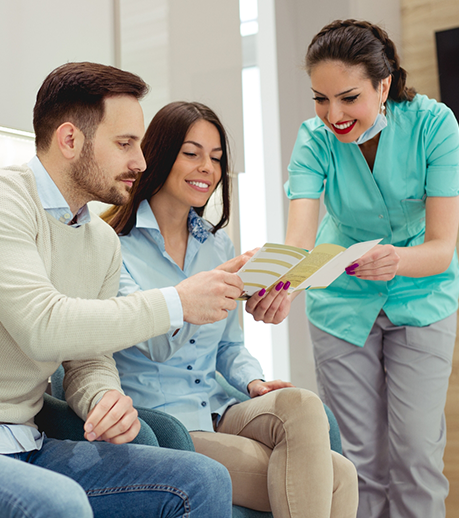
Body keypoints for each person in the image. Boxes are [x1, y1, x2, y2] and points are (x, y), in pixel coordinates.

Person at [0, 62, 241, 518]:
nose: (140, 161)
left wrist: (101, 397)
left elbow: (87, 357)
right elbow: (44, 326)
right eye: (124, 144)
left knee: (202, 478)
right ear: (70, 140)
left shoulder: (99, 241)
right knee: (57, 503)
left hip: (22, 441)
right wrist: (177, 302)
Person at [103, 101, 358, 518]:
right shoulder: (113, 246)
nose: (207, 167)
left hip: (219, 405)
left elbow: (229, 346)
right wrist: (200, 291)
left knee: (304, 405)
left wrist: (253, 381)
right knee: (339, 477)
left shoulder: (217, 245)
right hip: (165, 422)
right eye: (192, 153)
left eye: (217, 158)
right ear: (160, 154)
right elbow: (154, 345)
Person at [282, 20, 459, 518]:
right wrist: (278, 282)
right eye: (320, 99)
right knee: (357, 461)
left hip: (421, 296)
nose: (333, 115)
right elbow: (299, 239)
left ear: (383, 85)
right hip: (341, 301)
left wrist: (396, 261)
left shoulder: (434, 125)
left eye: (348, 98)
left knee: (417, 455)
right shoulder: (313, 139)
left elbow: (441, 249)